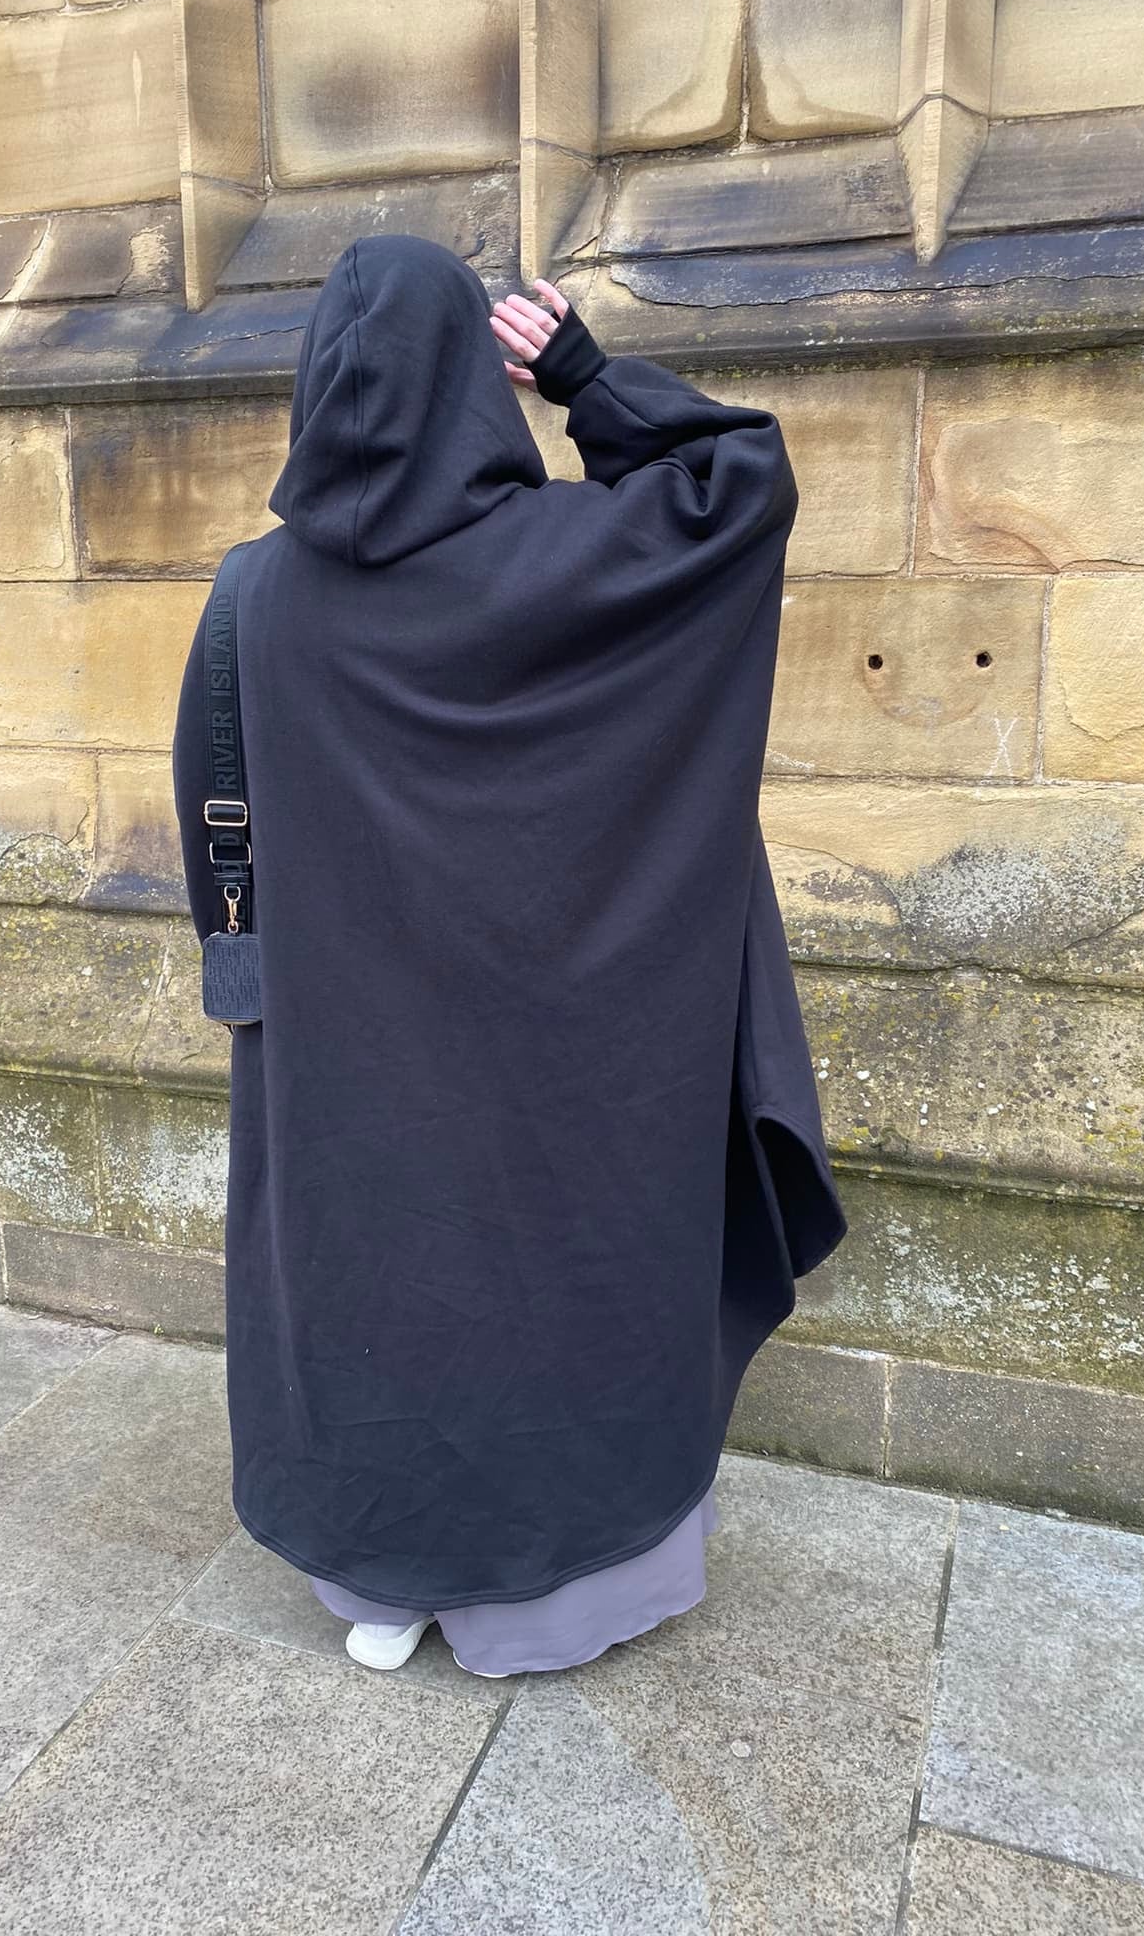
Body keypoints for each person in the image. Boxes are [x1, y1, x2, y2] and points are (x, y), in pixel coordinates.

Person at [171, 234, 845, 1679]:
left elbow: (216, 806)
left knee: (371, 1276)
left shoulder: (255, 596)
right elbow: (738, 482)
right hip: (568, 1056)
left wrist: (253, 985)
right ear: (476, 380)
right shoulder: (580, 561)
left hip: (347, 1043)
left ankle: (382, 1585)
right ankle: (542, 1604)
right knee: (550, 1276)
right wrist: (584, 376)